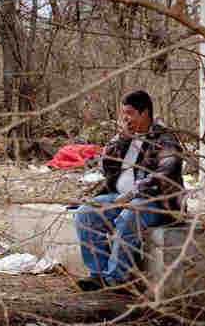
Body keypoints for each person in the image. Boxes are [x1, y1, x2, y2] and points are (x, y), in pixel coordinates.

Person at [75, 90, 185, 292]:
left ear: (145, 113)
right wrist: (121, 140)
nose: (125, 118)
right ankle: (98, 275)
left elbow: (165, 173)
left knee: (129, 215)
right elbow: (105, 165)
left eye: (130, 113)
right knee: (86, 214)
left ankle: (117, 278)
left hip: (155, 201)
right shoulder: (125, 136)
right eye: (123, 113)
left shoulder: (165, 138)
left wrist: (131, 194)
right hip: (119, 197)